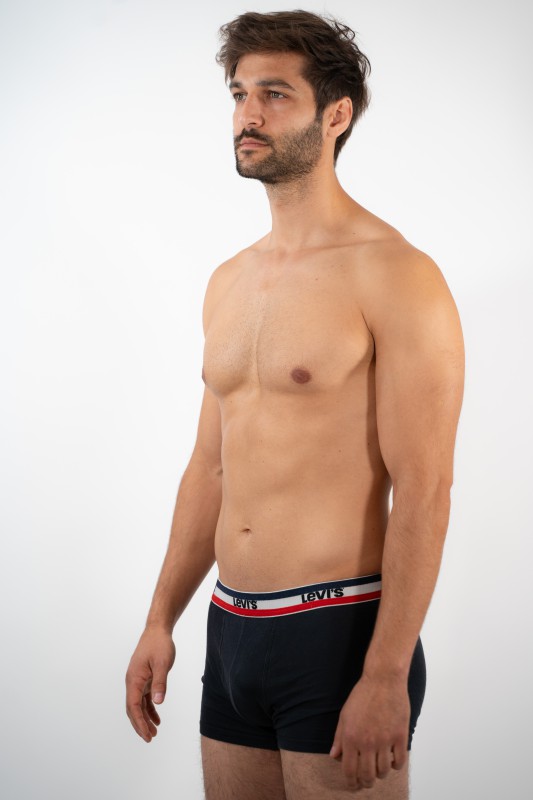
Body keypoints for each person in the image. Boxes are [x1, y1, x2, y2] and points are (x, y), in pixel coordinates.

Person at [125, 10, 465, 799]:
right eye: (239, 93)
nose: (247, 114)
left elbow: (425, 488)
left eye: (274, 94)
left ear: (334, 115)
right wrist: (159, 619)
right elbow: (209, 468)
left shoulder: (396, 275)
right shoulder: (229, 281)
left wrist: (385, 673)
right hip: (231, 630)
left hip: (338, 634)